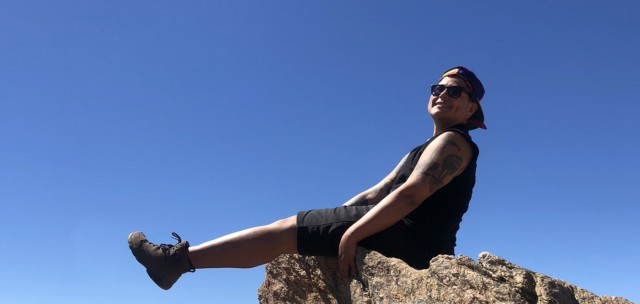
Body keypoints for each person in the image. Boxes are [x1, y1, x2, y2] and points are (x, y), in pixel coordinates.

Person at [128, 66, 486, 290]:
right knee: (302, 226)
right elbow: (377, 191)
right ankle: (177, 262)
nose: (442, 94)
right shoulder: (428, 145)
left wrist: (350, 233)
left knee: (287, 229)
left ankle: (174, 262)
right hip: (408, 238)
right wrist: (334, 218)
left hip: (410, 241)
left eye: (455, 91)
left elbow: (410, 195)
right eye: (437, 88)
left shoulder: (455, 142)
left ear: (471, 109)